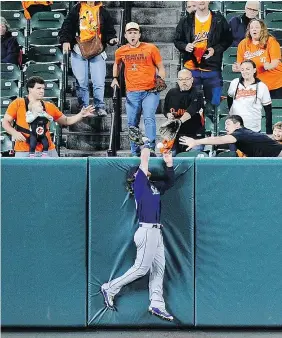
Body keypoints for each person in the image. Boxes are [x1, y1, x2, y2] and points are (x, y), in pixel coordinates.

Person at [101, 137, 175, 321]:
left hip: (156, 232)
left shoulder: (153, 187)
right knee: (141, 268)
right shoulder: (139, 185)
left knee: (159, 268)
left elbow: (169, 182)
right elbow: (144, 160)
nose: (143, 171)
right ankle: (110, 287)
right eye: (139, 172)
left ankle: (157, 303)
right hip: (147, 231)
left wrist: (169, 164)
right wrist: (146, 144)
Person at [2, 76, 95, 157]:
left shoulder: (49, 106)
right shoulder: (18, 103)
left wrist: (81, 115)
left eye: (43, 88)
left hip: (47, 150)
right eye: (38, 88)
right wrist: (14, 133)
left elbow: (66, 121)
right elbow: (5, 122)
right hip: (24, 150)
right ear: (30, 89)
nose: (42, 91)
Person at [112, 22, 165, 157]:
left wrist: (161, 79)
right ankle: (135, 151)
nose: (133, 35)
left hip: (150, 91)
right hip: (132, 92)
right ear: (125, 35)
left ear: (139, 34)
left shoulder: (151, 48)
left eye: (135, 32)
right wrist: (114, 78)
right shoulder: (121, 51)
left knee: (149, 118)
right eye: (130, 32)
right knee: (132, 122)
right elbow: (116, 64)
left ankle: (150, 148)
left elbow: (161, 67)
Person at [59, 1, 118, 116]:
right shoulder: (76, 9)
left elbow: (109, 30)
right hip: (78, 49)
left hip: (97, 50)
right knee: (81, 81)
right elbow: (67, 26)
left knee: (99, 81)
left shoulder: (103, 11)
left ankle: (99, 106)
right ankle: (84, 108)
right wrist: (65, 40)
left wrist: (111, 39)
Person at [174, 1, 232, 110]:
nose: (201, 1)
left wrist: (215, 49)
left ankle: (211, 125)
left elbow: (227, 40)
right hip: (191, 69)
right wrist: (185, 46)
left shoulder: (219, 20)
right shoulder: (186, 21)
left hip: (212, 69)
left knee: (214, 104)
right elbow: (177, 40)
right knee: (189, 105)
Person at [179, 115, 282, 157]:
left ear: (237, 125)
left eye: (228, 124)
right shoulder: (244, 133)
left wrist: (196, 142)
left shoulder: (240, 133)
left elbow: (221, 140)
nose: (226, 127)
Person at [233, 19, 282, 99]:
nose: (254, 29)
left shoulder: (270, 41)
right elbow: (240, 64)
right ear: (249, 30)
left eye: (257, 27)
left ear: (262, 30)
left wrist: (269, 66)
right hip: (256, 86)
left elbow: (276, 61)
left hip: (276, 84)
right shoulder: (243, 44)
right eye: (252, 27)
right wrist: (238, 68)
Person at [163, 69, 204, 156]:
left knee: (192, 158)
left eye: (186, 79)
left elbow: (191, 111)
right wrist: (168, 115)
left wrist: (178, 122)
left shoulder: (198, 93)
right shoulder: (171, 93)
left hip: (193, 135)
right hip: (175, 135)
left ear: (192, 80)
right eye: (181, 79)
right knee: (167, 157)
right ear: (178, 80)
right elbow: (165, 110)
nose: (184, 81)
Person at [228, 60, 272, 134]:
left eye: (248, 69)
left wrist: (269, 131)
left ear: (254, 70)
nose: (245, 71)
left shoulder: (262, 86)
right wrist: (231, 114)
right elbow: (229, 98)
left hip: (253, 128)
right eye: (242, 69)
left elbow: (268, 110)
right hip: (235, 127)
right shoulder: (234, 83)